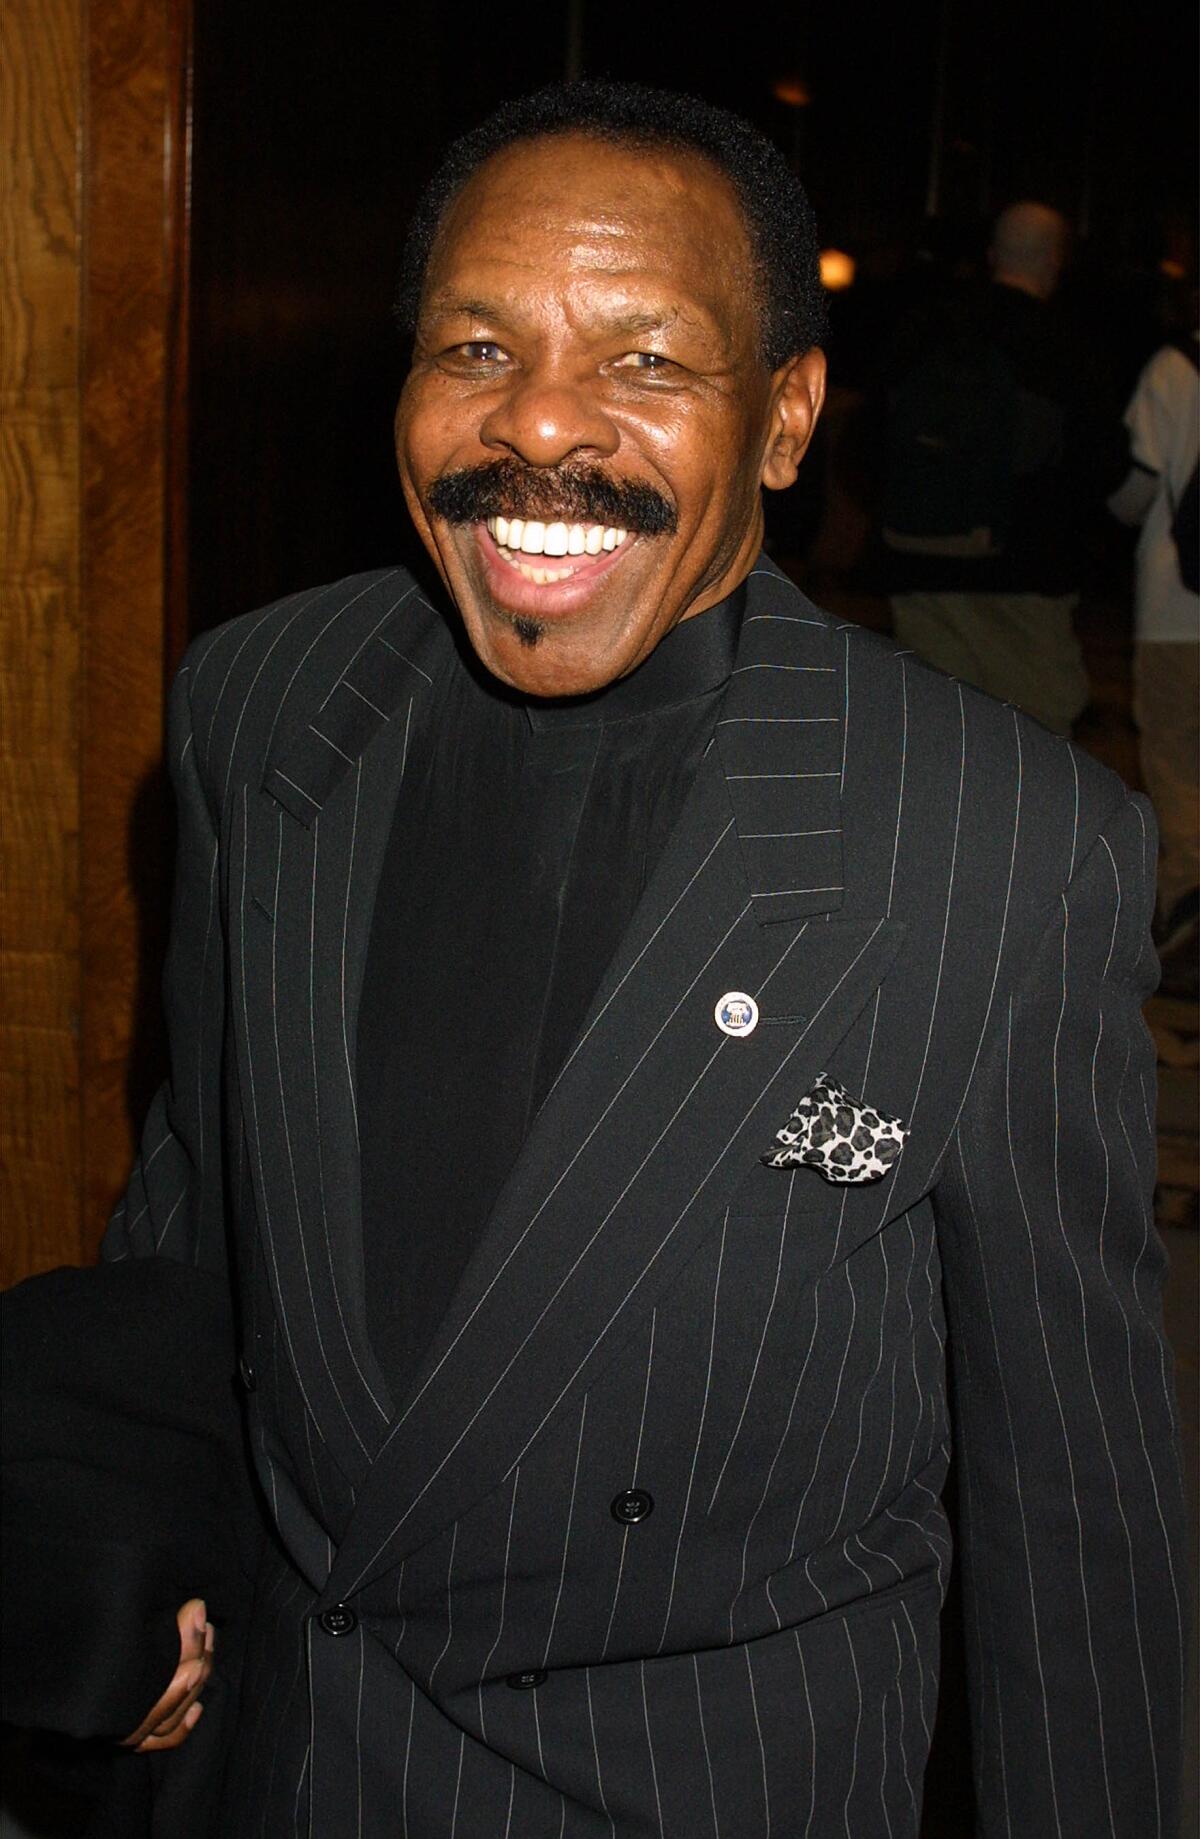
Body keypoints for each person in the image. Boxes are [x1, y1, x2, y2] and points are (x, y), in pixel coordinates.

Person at [10, 83, 1187, 1837]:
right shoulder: (259, 711)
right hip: (292, 1754)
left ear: (787, 419)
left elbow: (1076, 1514)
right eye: (476, 345)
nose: (540, 419)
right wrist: (140, 1536)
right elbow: (206, 1208)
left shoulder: (1001, 848)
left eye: (645, 361)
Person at [882, 201, 1095, 734]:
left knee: (937, 737)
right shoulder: (1064, 344)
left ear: (993, 255)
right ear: (1054, 261)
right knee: (1038, 750)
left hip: (920, 562)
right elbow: (1099, 465)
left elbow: (871, 437)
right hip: (1022, 577)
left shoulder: (928, 326)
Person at [1108, 323, 1200, 993]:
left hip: (1180, 602)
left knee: (1175, 754)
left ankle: (1185, 903)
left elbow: (1140, 482)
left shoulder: (1175, 366)